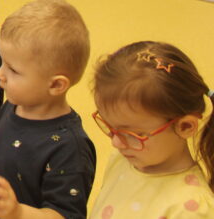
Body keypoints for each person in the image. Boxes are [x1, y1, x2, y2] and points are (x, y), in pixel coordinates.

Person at [0, 0, 95, 218]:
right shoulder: (12, 106)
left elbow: (65, 214)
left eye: (13, 70)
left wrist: (18, 212)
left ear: (56, 85)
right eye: (2, 63)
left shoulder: (69, 148)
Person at [88, 41, 214, 217]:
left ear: (185, 127)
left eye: (133, 134)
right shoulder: (123, 160)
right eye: (111, 127)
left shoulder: (191, 208)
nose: (116, 143)